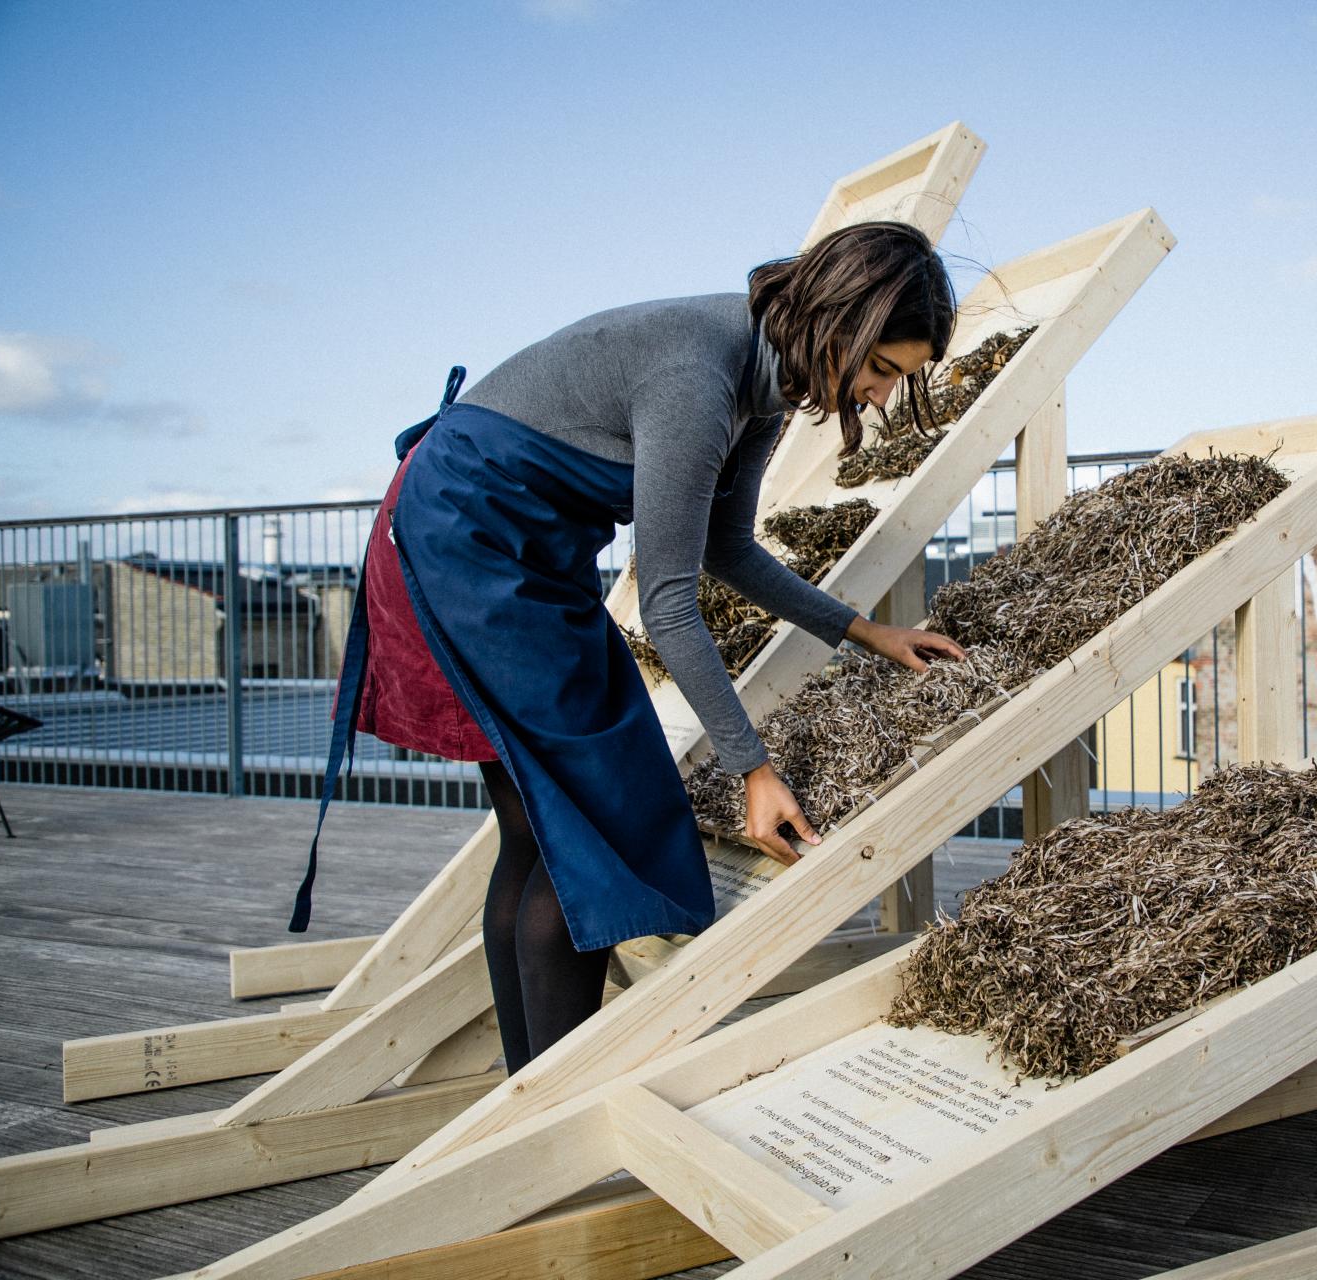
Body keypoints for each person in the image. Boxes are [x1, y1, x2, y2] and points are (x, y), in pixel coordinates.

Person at [296, 221, 967, 1073]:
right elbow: (669, 605)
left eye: (897, 378)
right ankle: (552, 1108)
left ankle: (523, 1101)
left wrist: (865, 632)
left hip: (508, 541)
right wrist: (755, 771)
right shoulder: (698, 378)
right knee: (594, 832)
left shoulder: (763, 376)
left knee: (539, 833)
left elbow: (726, 548)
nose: (878, 395)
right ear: (837, 321)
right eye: (878, 368)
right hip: (471, 541)